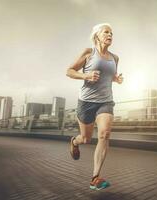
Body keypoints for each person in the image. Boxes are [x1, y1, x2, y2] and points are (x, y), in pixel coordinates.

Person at [66, 23, 123, 190]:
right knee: (86, 139)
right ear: (97, 35)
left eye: (112, 32)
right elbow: (69, 71)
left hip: (105, 101)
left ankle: (95, 177)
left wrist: (116, 79)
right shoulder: (88, 52)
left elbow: (109, 76)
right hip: (86, 102)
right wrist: (86, 75)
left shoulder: (115, 58)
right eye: (106, 32)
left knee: (104, 134)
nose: (110, 34)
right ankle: (74, 142)